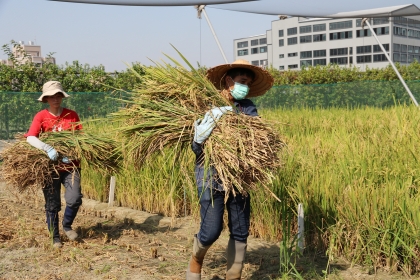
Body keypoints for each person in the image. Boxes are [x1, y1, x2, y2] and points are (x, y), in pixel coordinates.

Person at [186, 60, 274, 280]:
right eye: (242, 81)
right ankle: (195, 262)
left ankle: (233, 276)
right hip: (209, 174)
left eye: (248, 83)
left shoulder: (248, 107)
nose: (245, 86)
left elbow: (255, 141)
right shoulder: (206, 105)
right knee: (211, 231)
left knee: (241, 231)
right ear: (228, 81)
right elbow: (196, 147)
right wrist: (199, 136)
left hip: (239, 176)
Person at [25, 81, 83, 248]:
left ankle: (66, 225)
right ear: (46, 98)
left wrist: (70, 154)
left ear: (62, 97)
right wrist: (47, 148)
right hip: (49, 168)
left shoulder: (72, 115)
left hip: (71, 166)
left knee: (74, 198)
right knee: (52, 204)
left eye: (58, 95)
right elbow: (31, 137)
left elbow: (80, 139)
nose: (55, 99)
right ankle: (55, 236)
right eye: (52, 96)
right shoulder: (41, 116)